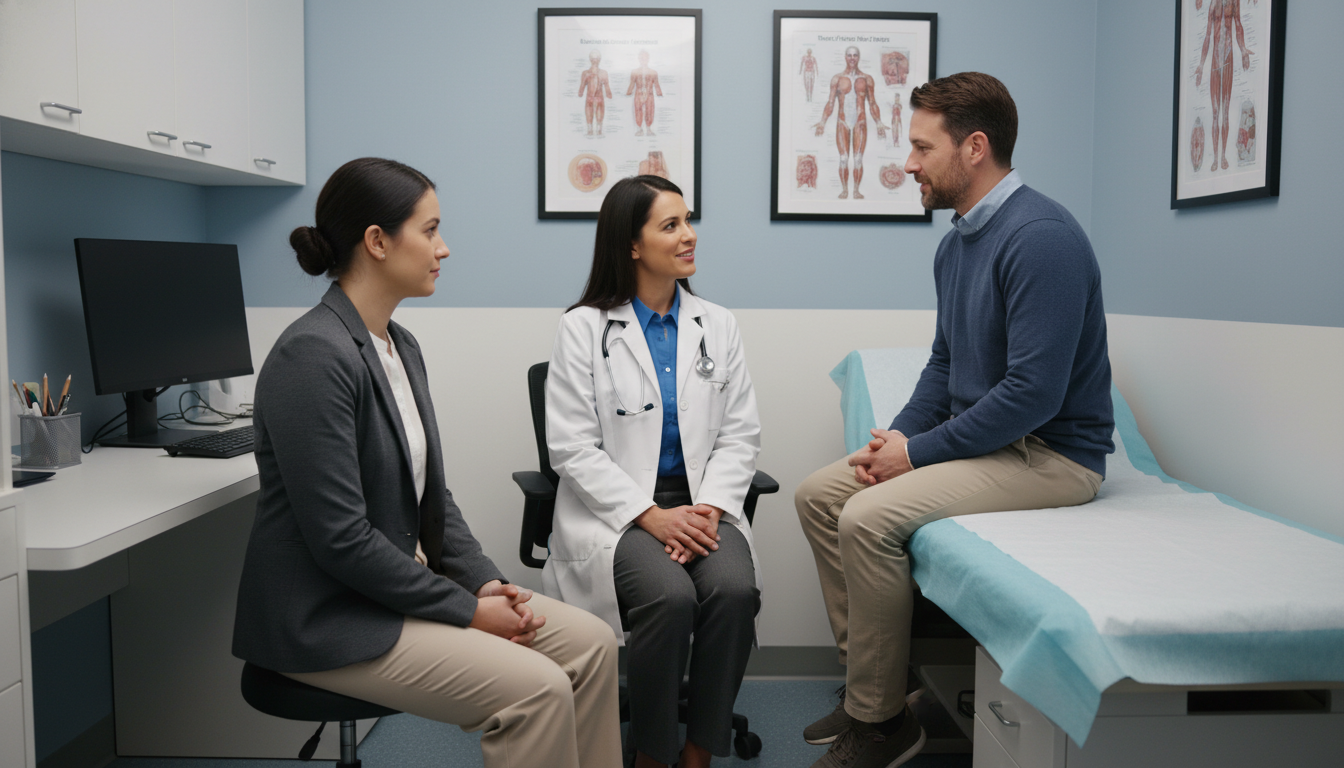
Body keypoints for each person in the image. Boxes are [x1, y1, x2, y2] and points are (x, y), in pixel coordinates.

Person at [231, 157, 622, 768]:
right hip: (328, 616)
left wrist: (484, 581)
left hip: (389, 591)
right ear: (377, 241)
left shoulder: (399, 345)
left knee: (593, 643)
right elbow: (341, 540)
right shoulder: (312, 355)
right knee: (538, 689)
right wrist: (470, 612)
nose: (444, 248)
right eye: (431, 230)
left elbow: (432, 499)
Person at [794, 72, 1114, 768]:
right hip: (991, 446)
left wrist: (915, 457)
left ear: (975, 147)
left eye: (921, 147)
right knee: (819, 496)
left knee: (866, 517)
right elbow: (944, 364)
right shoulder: (958, 242)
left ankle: (881, 723)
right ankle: (876, 688)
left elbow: (1034, 395)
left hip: (1052, 455)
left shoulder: (1042, 238)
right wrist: (898, 437)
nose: (908, 164)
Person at [544, 175, 763, 768]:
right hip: (619, 511)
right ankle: (652, 754)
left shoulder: (718, 324)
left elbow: (740, 434)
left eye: (688, 220)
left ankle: (698, 751)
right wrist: (651, 516)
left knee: (734, 591)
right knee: (668, 598)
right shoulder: (583, 327)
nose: (689, 235)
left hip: (703, 503)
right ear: (632, 245)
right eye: (671, 225)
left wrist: (708, 509)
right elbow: (570, 446)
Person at [813, 46, 888, 199]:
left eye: (855, 55)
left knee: (858, 158)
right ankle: (845, 190)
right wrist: (822, 121)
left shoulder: (867, 79)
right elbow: (830, 103)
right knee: (843, 159)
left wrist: (879, 122)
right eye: (849, 55)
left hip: (860, 122)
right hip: (842, 121)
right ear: (845, 57)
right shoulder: (837, 79)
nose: (852, 58)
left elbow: (872, 103)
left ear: (858, 57)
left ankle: (856, 190)